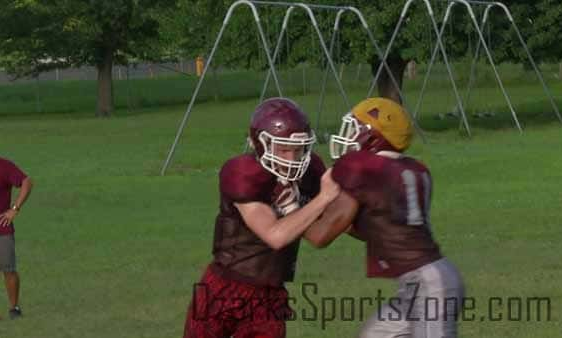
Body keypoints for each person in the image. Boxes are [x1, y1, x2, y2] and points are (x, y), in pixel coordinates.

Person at [304, 97, 465, 338]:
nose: (348, 136)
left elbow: (319, 236)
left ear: (373, 137)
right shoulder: (412, 169)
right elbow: (375, 229)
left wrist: (292, 209)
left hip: (428, 285)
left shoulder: (366, 168)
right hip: (427, 281)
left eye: (355, 129)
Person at [183, 98, 340, 338]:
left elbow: (321, 234)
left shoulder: (310, 172)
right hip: (224, 289)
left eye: (298, 150)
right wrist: (322, 199)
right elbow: (275, 236)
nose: (292, 158)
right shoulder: (244, 172)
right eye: (284, 149)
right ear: (261, 144)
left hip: (269, 296)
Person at [0, 135, 33, 320]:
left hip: (0, 229)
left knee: (9, 270)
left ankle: (14, 308)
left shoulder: (3, 167)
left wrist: (14, 209)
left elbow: (27, 182)